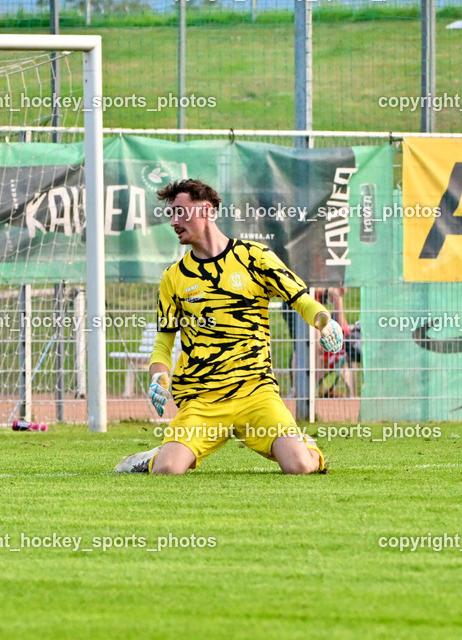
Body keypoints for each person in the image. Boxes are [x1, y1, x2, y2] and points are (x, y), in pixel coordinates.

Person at [114, 179, 343, 475]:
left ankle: (302, 444)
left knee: (299, 465)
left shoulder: (254, 257)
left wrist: (324, 322)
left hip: (256, 392)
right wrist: (158, 378)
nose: (174, 221)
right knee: (168, 470)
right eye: (170, 214)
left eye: (181, 212)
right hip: (202, 399)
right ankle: (152, 458)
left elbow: (299, 298)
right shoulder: (174, 277)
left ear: (206, 210)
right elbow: (163, 342)